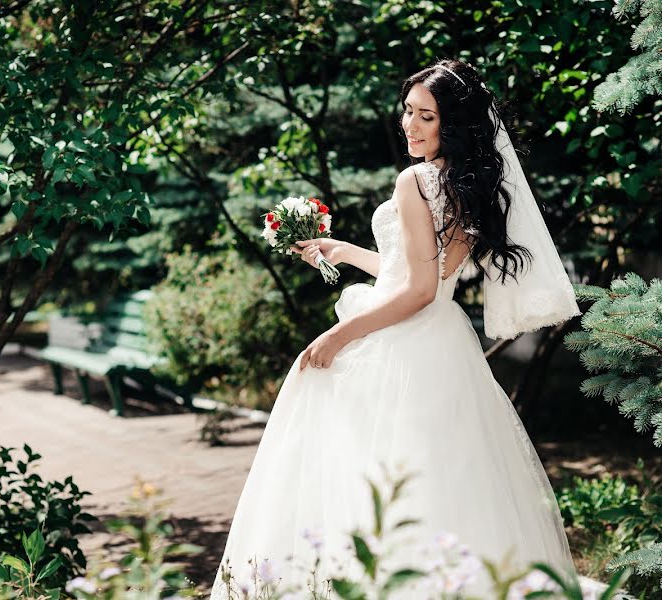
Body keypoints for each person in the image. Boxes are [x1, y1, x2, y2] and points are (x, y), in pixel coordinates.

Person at [209, 59, 585, 598]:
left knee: (369, 472)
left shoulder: (416, 180)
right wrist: (338, 250)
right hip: (443, 341)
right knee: (443, 476)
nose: (410, 124)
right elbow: (420, 272)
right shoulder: (469, 183)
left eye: (425, 116)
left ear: (451, 124)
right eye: (408, 111)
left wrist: (341, 334)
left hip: (402, 341)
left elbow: (418, 290)